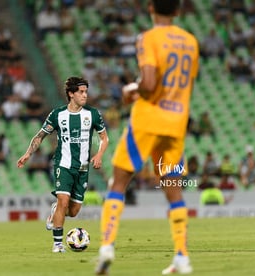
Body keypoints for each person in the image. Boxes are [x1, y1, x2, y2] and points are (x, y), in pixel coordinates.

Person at [95, 1, 199, 275]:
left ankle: (106, 246)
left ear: (150, 8)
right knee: (173, 189)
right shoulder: (190, 42)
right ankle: (182, 256)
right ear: (178, 11)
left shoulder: (148, 38)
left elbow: (150, 84)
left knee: (119, 180)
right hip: (176, 123)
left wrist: (132, 89)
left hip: (148, 120)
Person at [17, 76, 109, 253]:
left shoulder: (92, 114)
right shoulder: (58, 114)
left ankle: (56, 211)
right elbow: (40, 136)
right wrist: (28, 154)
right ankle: (57, 244)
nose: (85, 95)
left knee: (73, 211)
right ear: (71, 94)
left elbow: (104, 138)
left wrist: (99, 154)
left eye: (86, 92)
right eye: (81, 92)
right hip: (63, 165)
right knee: (63, 200)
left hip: (82, 168)